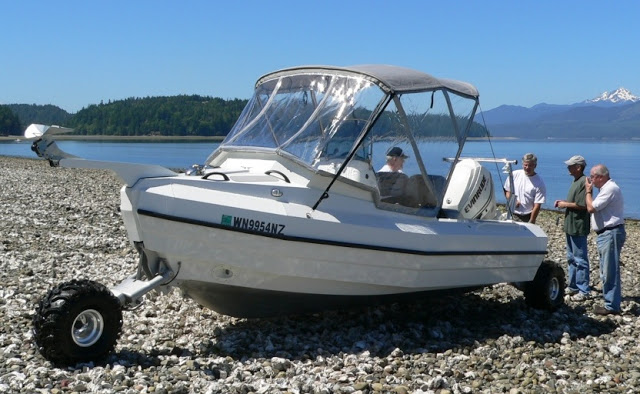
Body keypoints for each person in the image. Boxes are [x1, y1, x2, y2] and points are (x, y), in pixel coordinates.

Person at [585, 164, 625, 315]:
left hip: (611, 232)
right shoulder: (606, 189)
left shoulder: (609, 189)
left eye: (592, 177)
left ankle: (612, 306)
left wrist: (588, 192)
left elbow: (591, 207)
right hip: (606, 233)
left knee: (610, 270)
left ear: (600, 177)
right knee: (605, 269)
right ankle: (610, 302)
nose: (591, 180)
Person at [554, 155, 590, 300]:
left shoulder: (584, 181)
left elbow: (583, 205)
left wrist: (564, 205)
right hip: (570, 225)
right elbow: (575, 202)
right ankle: (573, 285)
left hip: (578, 226)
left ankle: (583, 290)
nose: (568, 167)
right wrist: (564, 202)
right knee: (571, 257)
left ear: (578, 167)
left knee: (580, 259)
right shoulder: (576, 181)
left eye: (570, 165)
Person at [503, 153, 546, 224]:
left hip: (526, 215)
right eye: (525, 165)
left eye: (530, 165)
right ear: (522, 164)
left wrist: (532, 220)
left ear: (535, 166)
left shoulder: (539, 182)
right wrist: (512, 200)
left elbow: (537, 204)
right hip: (511, 213)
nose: (527, 167)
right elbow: (506, 190)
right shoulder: (514, 174)